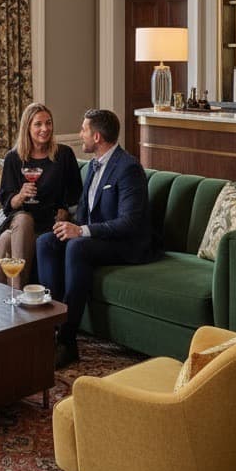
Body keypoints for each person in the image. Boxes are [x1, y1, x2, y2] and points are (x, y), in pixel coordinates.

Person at [36, 108, 154, 369]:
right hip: (97, 237)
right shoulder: (93, 164)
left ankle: (67, 340)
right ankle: (51, 326)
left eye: (84, 130)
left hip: (126, 244)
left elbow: (129, 223)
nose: (80, 135)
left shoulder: (128, 168)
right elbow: (85, 211)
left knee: (77, 247)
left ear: (97, 137)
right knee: (46, 241)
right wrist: (69, 225)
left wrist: (81, 231)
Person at [0, 102, 82, 289]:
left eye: (48, 123)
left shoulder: (64, 155)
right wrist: (21, 195)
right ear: (27, 127)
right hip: (18, 219)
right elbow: (8, 203)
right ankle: (18, 292)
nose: (45, 129)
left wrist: (64, 210)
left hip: (50, 221)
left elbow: (76, 193)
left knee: (6, 239)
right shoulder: (14, 158)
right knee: (24, 219)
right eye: (38, 124)